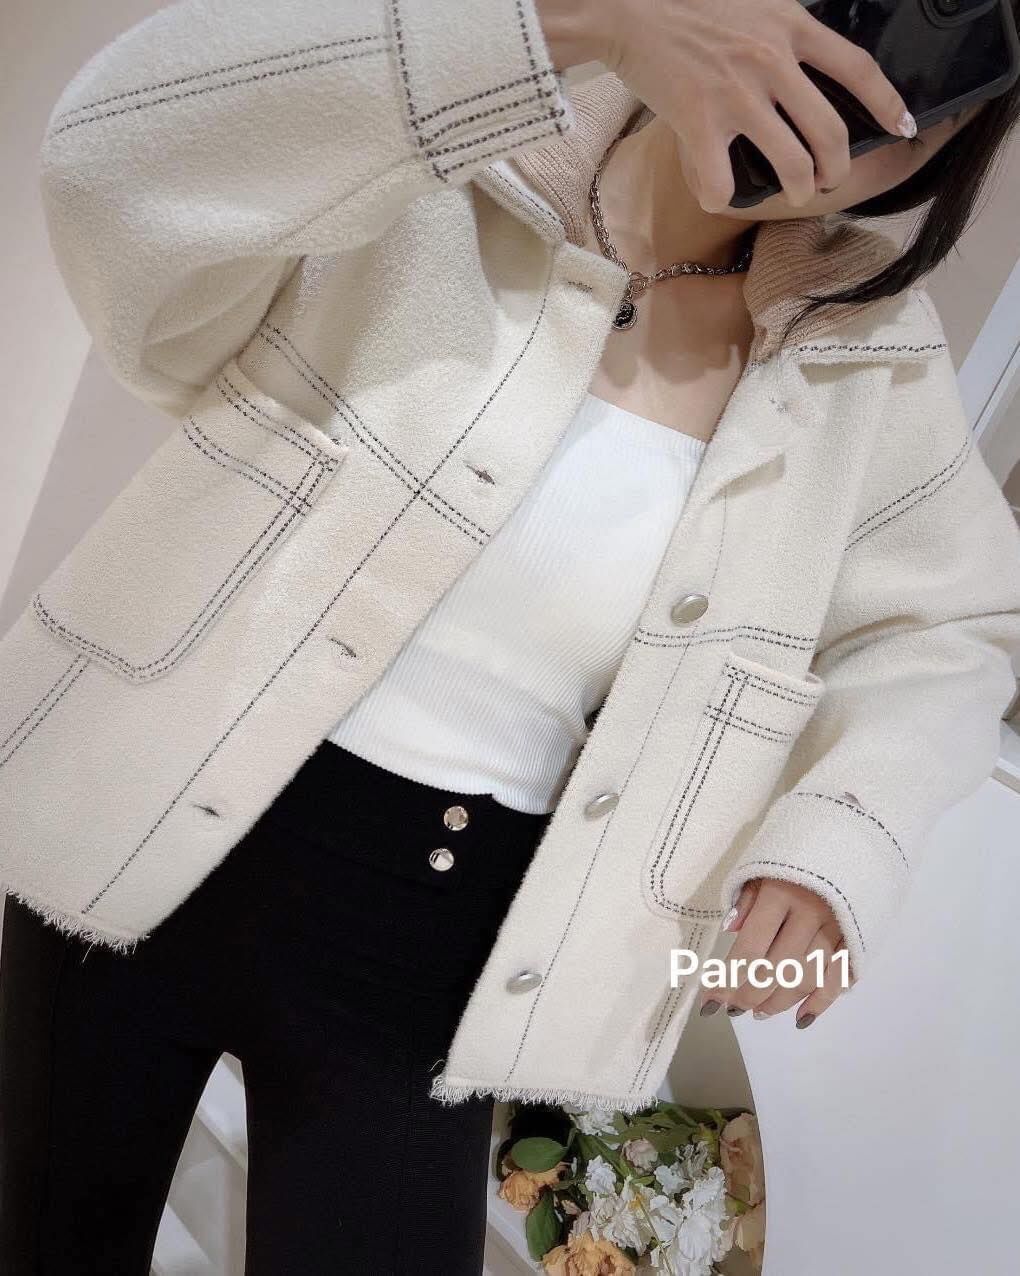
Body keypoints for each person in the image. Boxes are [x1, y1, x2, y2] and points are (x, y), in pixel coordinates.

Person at [1, 0, 1018, 1271]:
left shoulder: (866, 355)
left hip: (441, 933)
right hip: (143, 803)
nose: (841, 118)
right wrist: (583, 23)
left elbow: (953, 622)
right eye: (832, 42)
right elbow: (114, 162)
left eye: (918, 106)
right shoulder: (440, 149)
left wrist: (839, 839)